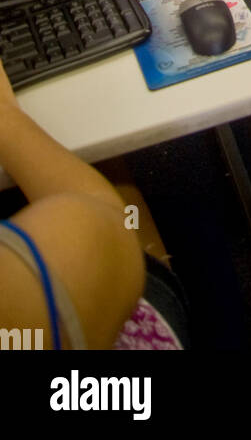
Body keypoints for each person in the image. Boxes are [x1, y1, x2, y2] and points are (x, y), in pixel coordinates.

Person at [0, 54, 145, 348]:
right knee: (122, 182)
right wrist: (4, 114)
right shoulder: (15, 297)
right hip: (116, 277)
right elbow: (114, 232)